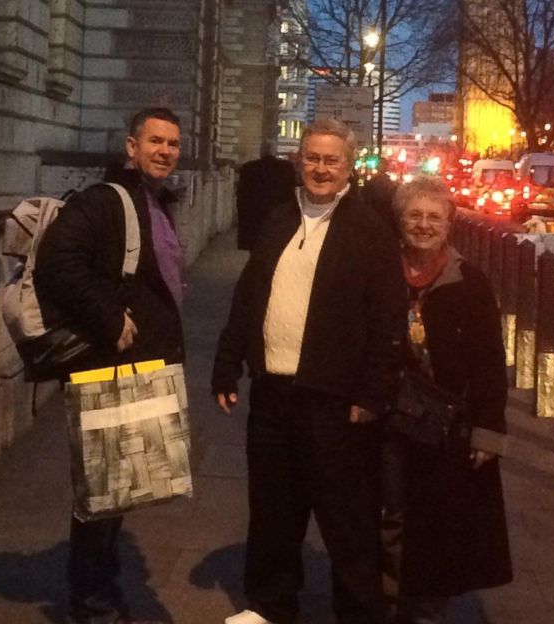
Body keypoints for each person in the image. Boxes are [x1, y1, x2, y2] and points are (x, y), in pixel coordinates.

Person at [212, 118, 406, 624]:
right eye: (312, 158)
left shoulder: (370, 231)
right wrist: (227, 363)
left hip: (336, 400)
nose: (321, 168)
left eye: (331, 160)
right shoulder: (278, 219)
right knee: (273, 513)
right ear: (300, 160)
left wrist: (372, 394)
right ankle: (271, 607)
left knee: (346, 522)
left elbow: (388, 322)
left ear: (349, 167)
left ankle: (359, 614)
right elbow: (249, 295)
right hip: (274, 394)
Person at [34, 107, 186, 624]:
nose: (165, 151)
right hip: (106, 367)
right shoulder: (107, 199)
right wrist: (107, 319)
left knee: (115, 491)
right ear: (130, 146)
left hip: (134, 368)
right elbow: (57, 261)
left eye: (172, 144)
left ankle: (102, 590)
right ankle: (92, 603)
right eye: (155, 142)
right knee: (100, 495)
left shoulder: (152, 200)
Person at [381, 176, 512, 624]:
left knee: (437, 523)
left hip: (447, 426)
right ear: (400, 221)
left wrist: (488, 432)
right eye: (414, 215)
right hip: (388, 419)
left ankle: (425, 611)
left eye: (433, 217)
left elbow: (491, 362)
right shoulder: (380, 273)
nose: (423, 225)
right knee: (391, 515)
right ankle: (391, 602)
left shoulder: (469, 282)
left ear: (449, 224)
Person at [236, 140, 297, 250]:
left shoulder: (248, 168)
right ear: (274, 151)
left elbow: (242, 198)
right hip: (278, 219)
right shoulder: (286, 168)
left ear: (261, 152)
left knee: (254, 250)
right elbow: (292, 194)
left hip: (254, 220)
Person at [362, 157, 398, 231]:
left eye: (384, 165)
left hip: (382, 214)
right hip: (378, 214)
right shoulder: (389, 183)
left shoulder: (389, 183)